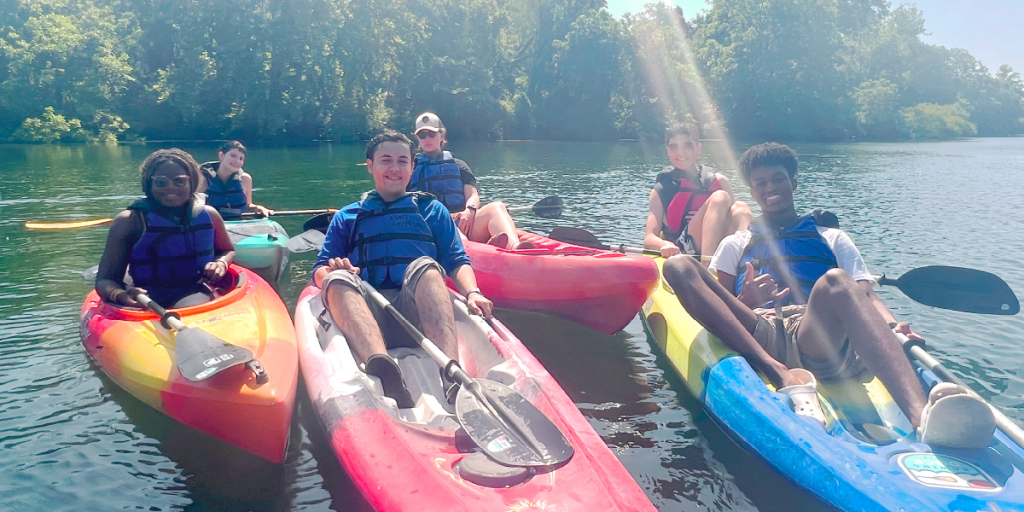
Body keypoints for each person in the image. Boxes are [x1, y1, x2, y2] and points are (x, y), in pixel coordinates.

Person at [662, 142, 995, 448]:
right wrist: (747, 298)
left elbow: (864, 296)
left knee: (836, 279)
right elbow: (720, 303)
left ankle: (922, 417)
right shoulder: (736, 243)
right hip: (758, 331)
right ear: (752, 190)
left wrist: (893, 327)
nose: (770, 188)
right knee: (678, 266)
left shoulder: (832, 238)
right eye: (760, 183)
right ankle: (780, 373)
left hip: (817, 334)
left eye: (778, 179)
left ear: (793, 182)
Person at [312, 130, 494, 408]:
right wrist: (336, 268)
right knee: (336, 278)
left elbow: (457, 260)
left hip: (419, 315)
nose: (394, 168)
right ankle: (383, 369)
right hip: (368, 318)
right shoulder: (347, 216)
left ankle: (452, 377)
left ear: (412, 167)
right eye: (386, 160)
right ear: (370, 165)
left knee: (428, 268)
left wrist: (472, 293)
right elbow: (319, 270)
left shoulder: (432, 210)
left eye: (402, 161)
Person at [95, 149, 235, 309]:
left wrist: (221, 263)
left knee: (192, 304)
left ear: (192, 182)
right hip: (143, 298)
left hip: (193, 292)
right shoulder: (129, 221)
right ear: (149, 184)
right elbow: (105, 280)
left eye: (179, 181)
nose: (170, 188)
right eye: (161, 182)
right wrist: (120, 295)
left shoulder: (210, 215)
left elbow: (228, 250)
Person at [408, 112, 534, 250]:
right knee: (453, 230)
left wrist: (470, 210)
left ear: (441, 135)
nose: (427, 138)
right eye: (422, 135)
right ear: (417, 139)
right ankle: (478, 253)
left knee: (497, 207)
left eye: (431, 134)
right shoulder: (410, 168)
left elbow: (472, 195)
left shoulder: (459, 165)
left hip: (462, 222)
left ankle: (515, 248)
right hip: (432, 227)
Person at [644, 121, 751, 263]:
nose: (680, 152)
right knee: (720, 197)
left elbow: (732, 218)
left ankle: (747, 263)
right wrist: (664, 244)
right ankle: (708, 270)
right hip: (684, 247)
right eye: (673, 146)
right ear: (668, 151)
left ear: (698, 149)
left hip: (720, 243)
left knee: (742, 208)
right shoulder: (662, 189)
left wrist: (708, 216)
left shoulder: (719, 180)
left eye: (687, 145)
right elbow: (649, 238)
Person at [198, 141, 273, 219]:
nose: (237, 161)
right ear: (221, 155)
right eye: (233, 156)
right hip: (211, 225)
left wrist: (258, 208)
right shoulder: (202, 178)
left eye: (241, 158)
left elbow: (248, 205)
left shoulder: (245, 179)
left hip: (236, 225)